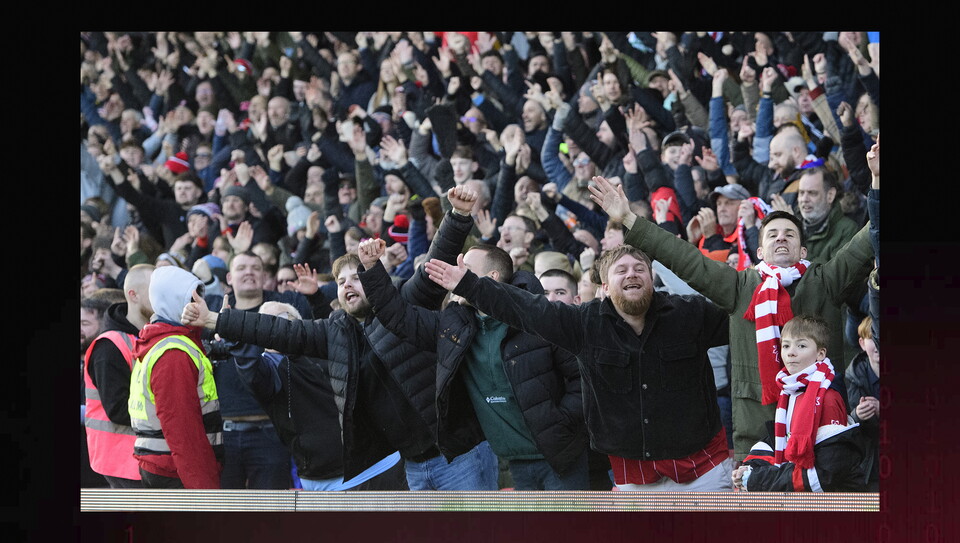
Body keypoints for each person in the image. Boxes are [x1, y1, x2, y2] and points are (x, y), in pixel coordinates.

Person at [180, 198, 499, 491]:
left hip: (459, 455)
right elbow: (280, 331)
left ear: (376, 277)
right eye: (341, 280)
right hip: (411, 464)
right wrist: (216, 321)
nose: (348, 283)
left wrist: (457, 217)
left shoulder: (405, 304)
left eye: (356, 276)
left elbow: (433, 269)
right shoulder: (335, 331)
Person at [586, 173, 874, 462]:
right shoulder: (741, 287)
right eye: (772, 234)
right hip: (759, 436)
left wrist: (875, 181)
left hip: (823, 431)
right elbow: (686, 258)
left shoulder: (825, 281)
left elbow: (865, 242)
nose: (781, 238)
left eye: (789, 234)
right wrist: (629, 219)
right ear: (760, 251)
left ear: (803, 251)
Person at [423, 243, 732, 491]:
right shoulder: (584, 322)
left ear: (652, 280)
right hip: (634, 479)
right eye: (621, 270)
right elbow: (527, 309)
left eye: (640, 269)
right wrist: (470, 285)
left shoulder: (690, 315)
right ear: (605, 287)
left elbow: (743, 315)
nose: (632, 274)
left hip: (701, 470)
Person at [357, 237, 591, 491]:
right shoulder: (457, 325)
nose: (456, 270)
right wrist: (372, 269)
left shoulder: (539, 317)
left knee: (568, 531)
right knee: (525, 532)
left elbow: (582, 380)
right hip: (512, 461)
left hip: (561, 457)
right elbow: (399, 317)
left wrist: (560, 422)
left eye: (465, 267)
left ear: (492, 277)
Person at [235, 301, 407, 491]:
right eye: (264, 322)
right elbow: (250, 371)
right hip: (322, 482)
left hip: (378, 469)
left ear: (300, 324)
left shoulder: (328, 346)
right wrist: (235, 335)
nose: (273, 327)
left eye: (282, 319)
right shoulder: (269, 367)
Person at [203, 251, 313, 489]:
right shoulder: (214, 311)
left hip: (271, 432)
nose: (249, 272)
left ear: (265, 277)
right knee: (224, 513)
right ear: (229, 277)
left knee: (271, 514)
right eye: (242, 268)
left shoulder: (280, 309)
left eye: (255, 267)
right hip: (225, 432)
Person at [732, 315, 867, 492]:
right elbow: (780, 442)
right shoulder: (790, 391)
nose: (791, 352)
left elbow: (823, 475)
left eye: (801, 345)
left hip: (835, 506)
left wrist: (757, 480)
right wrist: (750, 467)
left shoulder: (827, 397)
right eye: (786, 345)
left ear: (820, 354)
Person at [128, 265, 224, 488]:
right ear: (176, 301)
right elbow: (184, 432)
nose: (201, 304)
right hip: (176, 473)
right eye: (193, 297)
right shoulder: (174, 352)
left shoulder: (166, 342)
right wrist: (205, 493)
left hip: (167, 468)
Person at [82, 264, 155, 488]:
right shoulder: (110, 346)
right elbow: (118, 410)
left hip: (143, 455)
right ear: (133, 295)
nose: (161, 297)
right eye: (154, 291)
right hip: (124, 460)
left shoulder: (149, 336)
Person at [844, 315, 880, 490]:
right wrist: (858, 415)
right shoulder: (853, 376)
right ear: (862, 343)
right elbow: (847, 423)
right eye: (872, 338)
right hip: (869, 462)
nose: (879, 344)